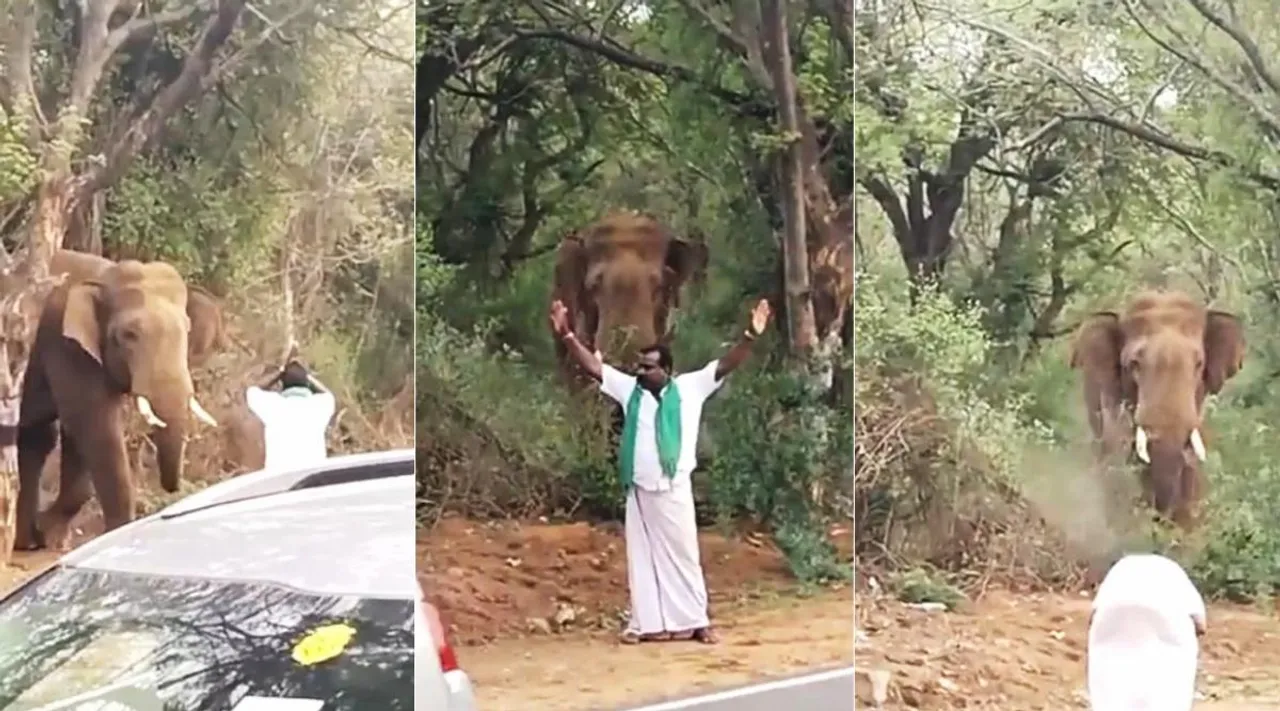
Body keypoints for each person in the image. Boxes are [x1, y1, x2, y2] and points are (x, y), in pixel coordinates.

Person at [548, 297, 772, 645]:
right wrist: (566, 336)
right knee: (643, 558)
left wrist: (750, 335)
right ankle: (646, 625)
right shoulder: (630, 391)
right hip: (639, 490)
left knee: (684, 555)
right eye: (639, 366)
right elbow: (595, 368)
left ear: (666, 369)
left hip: (674, 488)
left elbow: (726, 364)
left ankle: (697, 622)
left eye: (648, 367)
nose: (640, 372)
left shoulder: (689, 388)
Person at [1087, 552, 1206, 711]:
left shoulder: (1121, 569)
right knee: (1169, 691)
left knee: (1111, 685)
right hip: (1168, 615)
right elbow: (1201, 625)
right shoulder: (1173, 572)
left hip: (1112, 615)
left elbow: (1093, 616)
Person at [245, 358, 336, 470]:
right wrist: (308, 377)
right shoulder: (319, 406)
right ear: (306, 384)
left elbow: (252, 391)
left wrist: (279, 373)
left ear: (281, 383)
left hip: (278, 479)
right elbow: (328, 394)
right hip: (312, 479)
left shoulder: (273, 406)